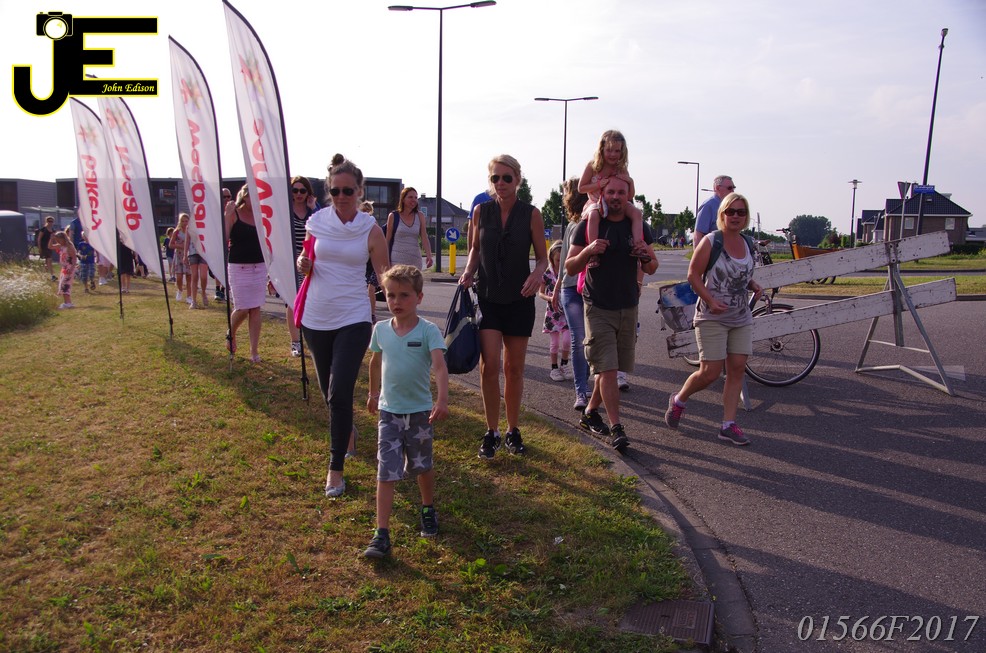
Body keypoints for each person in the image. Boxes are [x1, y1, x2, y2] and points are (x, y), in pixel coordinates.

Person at [297, 154, 389, 497]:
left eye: (348, 190)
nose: (341, 196)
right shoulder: (316, 222)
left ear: (360, 191)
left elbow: (384, 274)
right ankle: (347, 430)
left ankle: (335, 469)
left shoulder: (370, 229)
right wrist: (303, 262)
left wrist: (401, 304)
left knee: (340, 392)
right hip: (316, 318)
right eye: (335, 190)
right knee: (329, 393)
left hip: (353, 317)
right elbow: (307, 255)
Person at [459, 154, 548, 459]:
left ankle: (512, 429)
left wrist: (537, 275)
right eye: (495, 178)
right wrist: (468, 272)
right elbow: (474, 249)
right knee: (489, 367)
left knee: (514, 368)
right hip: (488, 298)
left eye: (506, 177)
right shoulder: (481, 211)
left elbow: (543, 258)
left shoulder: (532, 214)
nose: (500, 183)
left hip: (520, 299)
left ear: (517, 180)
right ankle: (492, 431)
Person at [565, 175, 657, 451]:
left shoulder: (638, 226)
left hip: (628, 306)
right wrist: (589, 251)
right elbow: (570, 266)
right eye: (611, 192)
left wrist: (644, 255)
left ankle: (590, 412)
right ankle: (617, 428)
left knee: (612, 367)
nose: (616, 197)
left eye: (621, 193)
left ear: (629, 195)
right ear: (602, 194)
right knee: (608, 368)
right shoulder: (588, 224)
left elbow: (652, 266)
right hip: (598, 306)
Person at [363, 265, 449, 558]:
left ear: (419, 297)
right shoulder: (381, 330)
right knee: (386, 470)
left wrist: (442, 400)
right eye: (390, 295)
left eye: (404, 295)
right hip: (389, 413)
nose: (396, 301)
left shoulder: (428, 331)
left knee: (421, 466)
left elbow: (440, 367)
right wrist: (373, 393)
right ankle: (381, 534)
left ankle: (427, 508)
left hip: (420, 413)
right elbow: (375, 362)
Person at [665, 192, 762, 446]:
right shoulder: (711, 241)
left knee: (737, 368)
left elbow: (739, 273)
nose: (736, 216)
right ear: (722, 214)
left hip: (740, 316)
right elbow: (693, 275)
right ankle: (679, 400)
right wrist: (709, 299)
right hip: (712, 317)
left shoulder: (747, 243)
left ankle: (728, 425)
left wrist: (752, 284)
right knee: (710, 372)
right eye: (731, 211)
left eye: (741, 212)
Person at [578, 130, 648, 267]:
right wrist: (598, 185)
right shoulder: (593, 166)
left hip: (616, 203)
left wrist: (630, 181)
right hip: (596, 201)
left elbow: (630, 195)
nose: (613, 154)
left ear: (622, 152)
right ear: (602, 149)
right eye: (609, 150)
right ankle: (593, 252)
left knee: (636, 213)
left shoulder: (621, 168)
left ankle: (637, 245)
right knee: (593, 215)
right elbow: (581, 188)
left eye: (617, 151)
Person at [556, 178, 594, 411]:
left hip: (592, 288)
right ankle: (581, 390)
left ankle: (589, 383)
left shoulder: (595, 219)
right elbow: (564, 263)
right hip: (570, 289)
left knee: (592, 340)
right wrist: (557, 289)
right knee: (579, 339)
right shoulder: (572, 225)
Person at [223, 185, 267, 362]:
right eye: (251, 196)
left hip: (259, 266)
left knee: (255, 308)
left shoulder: (262, 215)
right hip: (239, 266)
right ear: (244, 196)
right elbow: (225, 237)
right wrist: (227, 216)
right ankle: (231, 332)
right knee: (243, 308)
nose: (254, 199)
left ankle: (254, 351)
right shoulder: (234, 213)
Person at [286, 176, 317, 356]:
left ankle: (311, 340)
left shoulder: (313, 211)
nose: (299, 194)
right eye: (295, 190)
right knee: (292, 301)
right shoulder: (286, 210)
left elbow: (321, 228)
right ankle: (295, 342)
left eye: (302, 190)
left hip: (310, 261)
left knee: (310, 301)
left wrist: (313, 207)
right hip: (291, 261)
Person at [538, 240, 571, 382]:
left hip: (566, 313)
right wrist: (550, 298)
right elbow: (540, 293)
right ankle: (554, 368)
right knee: (555, 343)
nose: (560, 263)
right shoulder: (547, 274)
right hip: (553, 314)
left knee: (567, 340)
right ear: (551, 258)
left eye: (562, 260)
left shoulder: (568, 272)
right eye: (557, 260)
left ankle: (564, 364)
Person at [386, 187, 433, 270]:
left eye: (415, 197)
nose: (413, 200)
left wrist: (429, 255)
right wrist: (386, 260)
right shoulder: (393, 216)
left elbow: (424, 238)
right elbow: (387, 240)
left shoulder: (420, 216)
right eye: (410, 197)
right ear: (403, 199)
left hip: (415, 260)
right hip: (396, 261)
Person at [693, 175, 736, 246]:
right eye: (729, 188)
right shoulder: (708, 206)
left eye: (733, 188)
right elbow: (698, 235)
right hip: (713, 251)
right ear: (717, 188)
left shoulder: (729, 206)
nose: (732, 191)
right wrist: (698, 252)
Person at [360, 200, 383, 322]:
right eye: (363, 211)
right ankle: (366, 313)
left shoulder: (372, 222)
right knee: (364, 289)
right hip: (364, 262)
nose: (365, 214)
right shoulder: (356, 224)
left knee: (371, 288)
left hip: (374, 262)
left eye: (367, 211)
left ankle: (372, 314)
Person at [183, 212, 210, 309]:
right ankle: (193, 301)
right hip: (193, 252)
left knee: (203, 276)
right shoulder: (189, 227)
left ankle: (203, 292)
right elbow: (187, 241)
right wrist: (185, 255)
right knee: (194, 276)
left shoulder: (205, 224)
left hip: (203, 252)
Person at [50, 231, 77, 309]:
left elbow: (74, 258)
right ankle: (67, 302)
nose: (58, 242)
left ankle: (67, 303)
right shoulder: (61, 246)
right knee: (62, 284)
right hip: (64, 267)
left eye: (59, 240)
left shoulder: (69, 246)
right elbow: (50, 246)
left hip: (69, 267)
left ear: (63, 239)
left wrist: (71, 268)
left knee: (65, 284)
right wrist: (51, 239)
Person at [170, 214, 191, 302]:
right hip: (179, 255)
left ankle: (189, 296)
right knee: (179, 277)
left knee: (189, 277)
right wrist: (180, 246)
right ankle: (179, 290)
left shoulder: (191, 231)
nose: (184, 223)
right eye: (183, 221)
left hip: (188, 255)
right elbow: (171, 245)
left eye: (186, 221)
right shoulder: (177, 231)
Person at [36, 216, 56, 281]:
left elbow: (54, 239)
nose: (50, 223)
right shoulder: (43, 229)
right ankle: (52, 275)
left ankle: (46, 275)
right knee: (49, 260)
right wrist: (39, 247)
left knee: (47, 262)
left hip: (49, 247)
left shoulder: (53, 230)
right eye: (49, 221)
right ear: (46, 221)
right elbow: (39, 239)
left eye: (51, 221)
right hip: (44, 246)